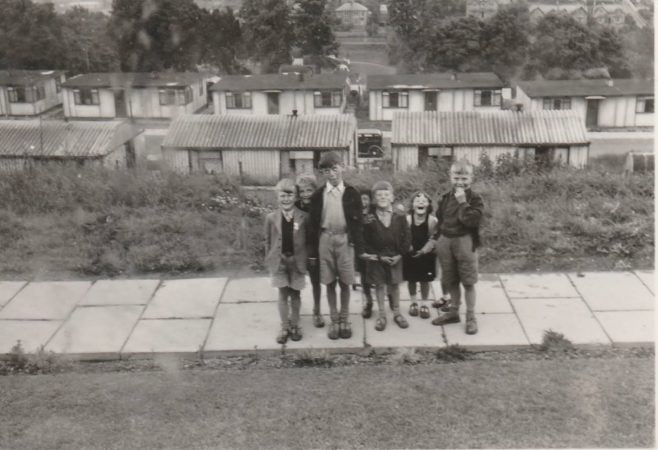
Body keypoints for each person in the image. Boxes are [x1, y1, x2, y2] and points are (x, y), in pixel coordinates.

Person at [307, 152, 364, 340]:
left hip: (345, 240)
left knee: (346, 281)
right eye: (325, 171)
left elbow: (358, 223)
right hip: (325, 239)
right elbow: (313, 226)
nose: (331, 174)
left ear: (342, 167)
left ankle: (345, 319)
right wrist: (313, 252)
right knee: (329, 281)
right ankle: (334, 319)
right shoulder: (317, 196)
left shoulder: (352, 193)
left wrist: (358, 248)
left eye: (334, 168)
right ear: (321, 173)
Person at [432, 159, 484, 335]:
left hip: (465, 242)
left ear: (471, 178)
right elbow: (440, 220)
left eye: (464, 178)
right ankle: (453, 312)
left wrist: (463, 202)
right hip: (446, 242)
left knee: (468, 282)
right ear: (450, 177)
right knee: (450, 279)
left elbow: (471, 220)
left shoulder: (475, 198)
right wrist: (437, 239)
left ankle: (471, 317)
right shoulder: (445, 197)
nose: (460, 182)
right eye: (456, 177)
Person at [360, 181, 411, 331]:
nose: (383, 197)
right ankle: (382, 314)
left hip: (395, 256)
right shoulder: (369, 218)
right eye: (379, 195)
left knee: (394, 284)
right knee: (380, 285)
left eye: (386, 194)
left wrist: (400, 254)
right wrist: (377, 255)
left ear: (392, 197)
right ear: (374, 198)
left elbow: (407, 236)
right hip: (377, 258)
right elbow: (365, 240)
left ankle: (397, 312)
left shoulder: (399, 216)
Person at [265, 178, 309, 344]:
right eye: (283, 196)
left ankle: (295, 325)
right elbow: (268, 241)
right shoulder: (271, 218)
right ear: (277, 197)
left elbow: (308, 241)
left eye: (290, 195)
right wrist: (269, 260)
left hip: (297, 261)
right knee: (283, 294)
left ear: (296, 197)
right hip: (279, 261)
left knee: (296, 294)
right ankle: (284, 326)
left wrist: (307, 260)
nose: (286, 199)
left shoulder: (304, 217)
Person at [295, 173, 324, 328]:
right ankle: (295, 311)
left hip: (314, 249)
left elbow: (316, 232)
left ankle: (317, 311)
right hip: (298, 249)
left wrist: (313, 254)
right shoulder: (295, 206)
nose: (305, 194)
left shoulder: (319, 206)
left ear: (315, 190)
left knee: (315, 281)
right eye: (302, 191)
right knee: (296, 281)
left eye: (309, 190)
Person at [403, 191, 437, 320]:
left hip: (426, 254)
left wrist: (424, 250)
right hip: (410, 254)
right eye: (417, 201)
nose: (421, 202)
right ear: (412, 205)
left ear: (428, 205)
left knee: (424, 280)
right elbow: (403, 236)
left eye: (424, 201)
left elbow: (434, 238)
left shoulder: (432, 221)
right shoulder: (407, 219)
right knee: (411, 279)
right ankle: (413, 302)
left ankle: (424, 304)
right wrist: (409, 246)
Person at [357, 189, 376, 319]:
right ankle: (369, 302)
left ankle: (391, 297)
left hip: (375, 248)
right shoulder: (354, 213)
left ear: (370, 200)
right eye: (360, 199)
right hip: (361, 249)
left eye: (365, 199)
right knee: (364, 276)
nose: (363, 202)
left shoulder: (375, 212)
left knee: (380, 274)